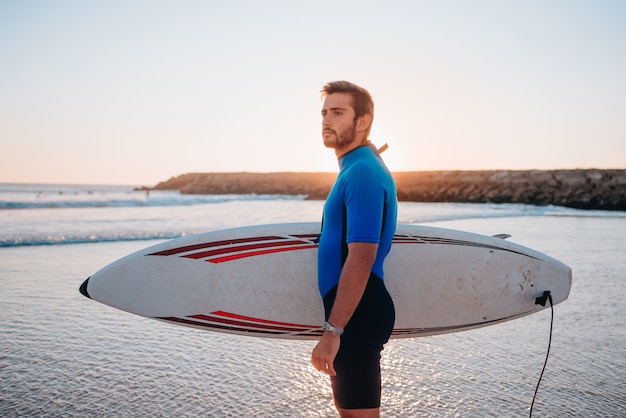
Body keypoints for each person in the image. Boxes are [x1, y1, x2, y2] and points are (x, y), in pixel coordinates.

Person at [311, 81, 397, 418]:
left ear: (362, 121)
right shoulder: (358, 166)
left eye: (337, 112)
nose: (326, 120)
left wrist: (333, 332)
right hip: (355, 315)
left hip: (356, 318)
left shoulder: (362, 172)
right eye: (324, 113)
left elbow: (362, 256)